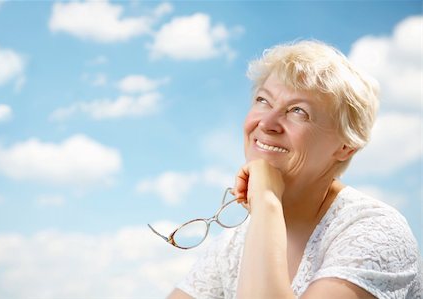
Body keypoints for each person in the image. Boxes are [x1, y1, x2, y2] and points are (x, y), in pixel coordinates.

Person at [166, 40, 422, 298]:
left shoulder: (375, 232)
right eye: (263, 100)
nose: (266, 123)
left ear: (346, 146)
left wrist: (266, 200)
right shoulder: (233, 245)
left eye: (298, 111)